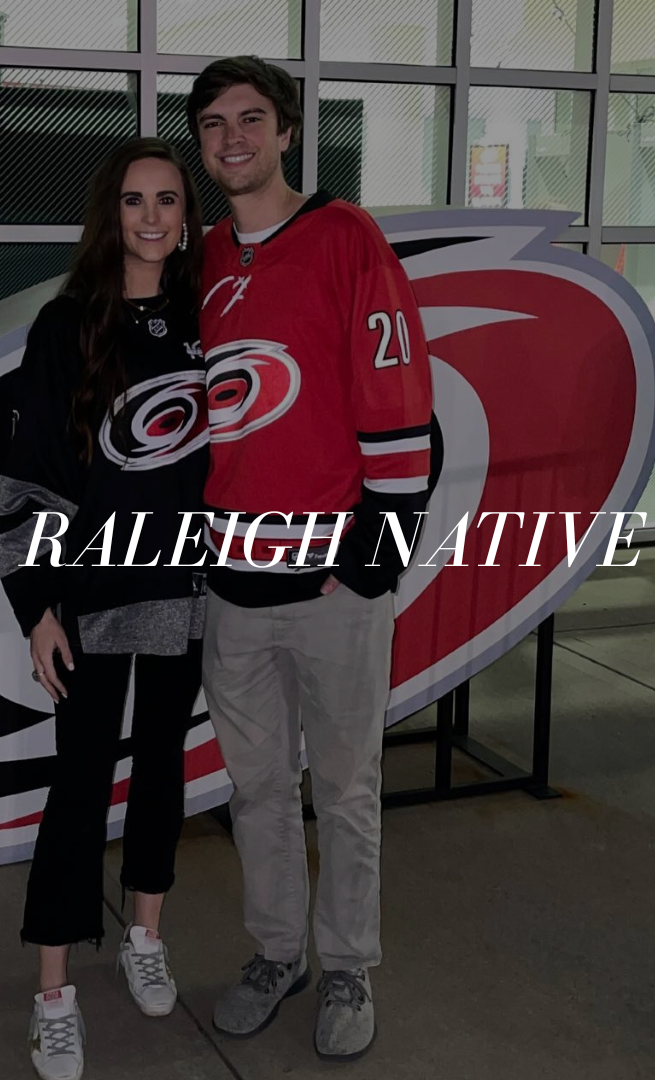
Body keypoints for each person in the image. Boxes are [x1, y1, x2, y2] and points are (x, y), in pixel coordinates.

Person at [186, 57, 434, 1060]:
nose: (233, 138)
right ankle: (277, 951)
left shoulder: (346, 237)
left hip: (335, 579)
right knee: (255, 791)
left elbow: (397, 382)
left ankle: (348, 966)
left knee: (345, 790)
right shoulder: (204, 254)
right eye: (214, 123)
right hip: (234, 583)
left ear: (288, 132)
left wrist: (383, 542)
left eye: (252, 119)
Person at [0, 136, 208, 1080]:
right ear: (109, 214)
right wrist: (37, 605)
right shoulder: (68, 323)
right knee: (79, 790)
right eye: (134, 200)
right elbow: (31, 471)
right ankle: (53, 996)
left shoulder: (211, 316)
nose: (152, 218)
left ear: (187, 216)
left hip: (188, 592)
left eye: (168, 200)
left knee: (162, 772)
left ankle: (145, 935)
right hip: (92, 597)